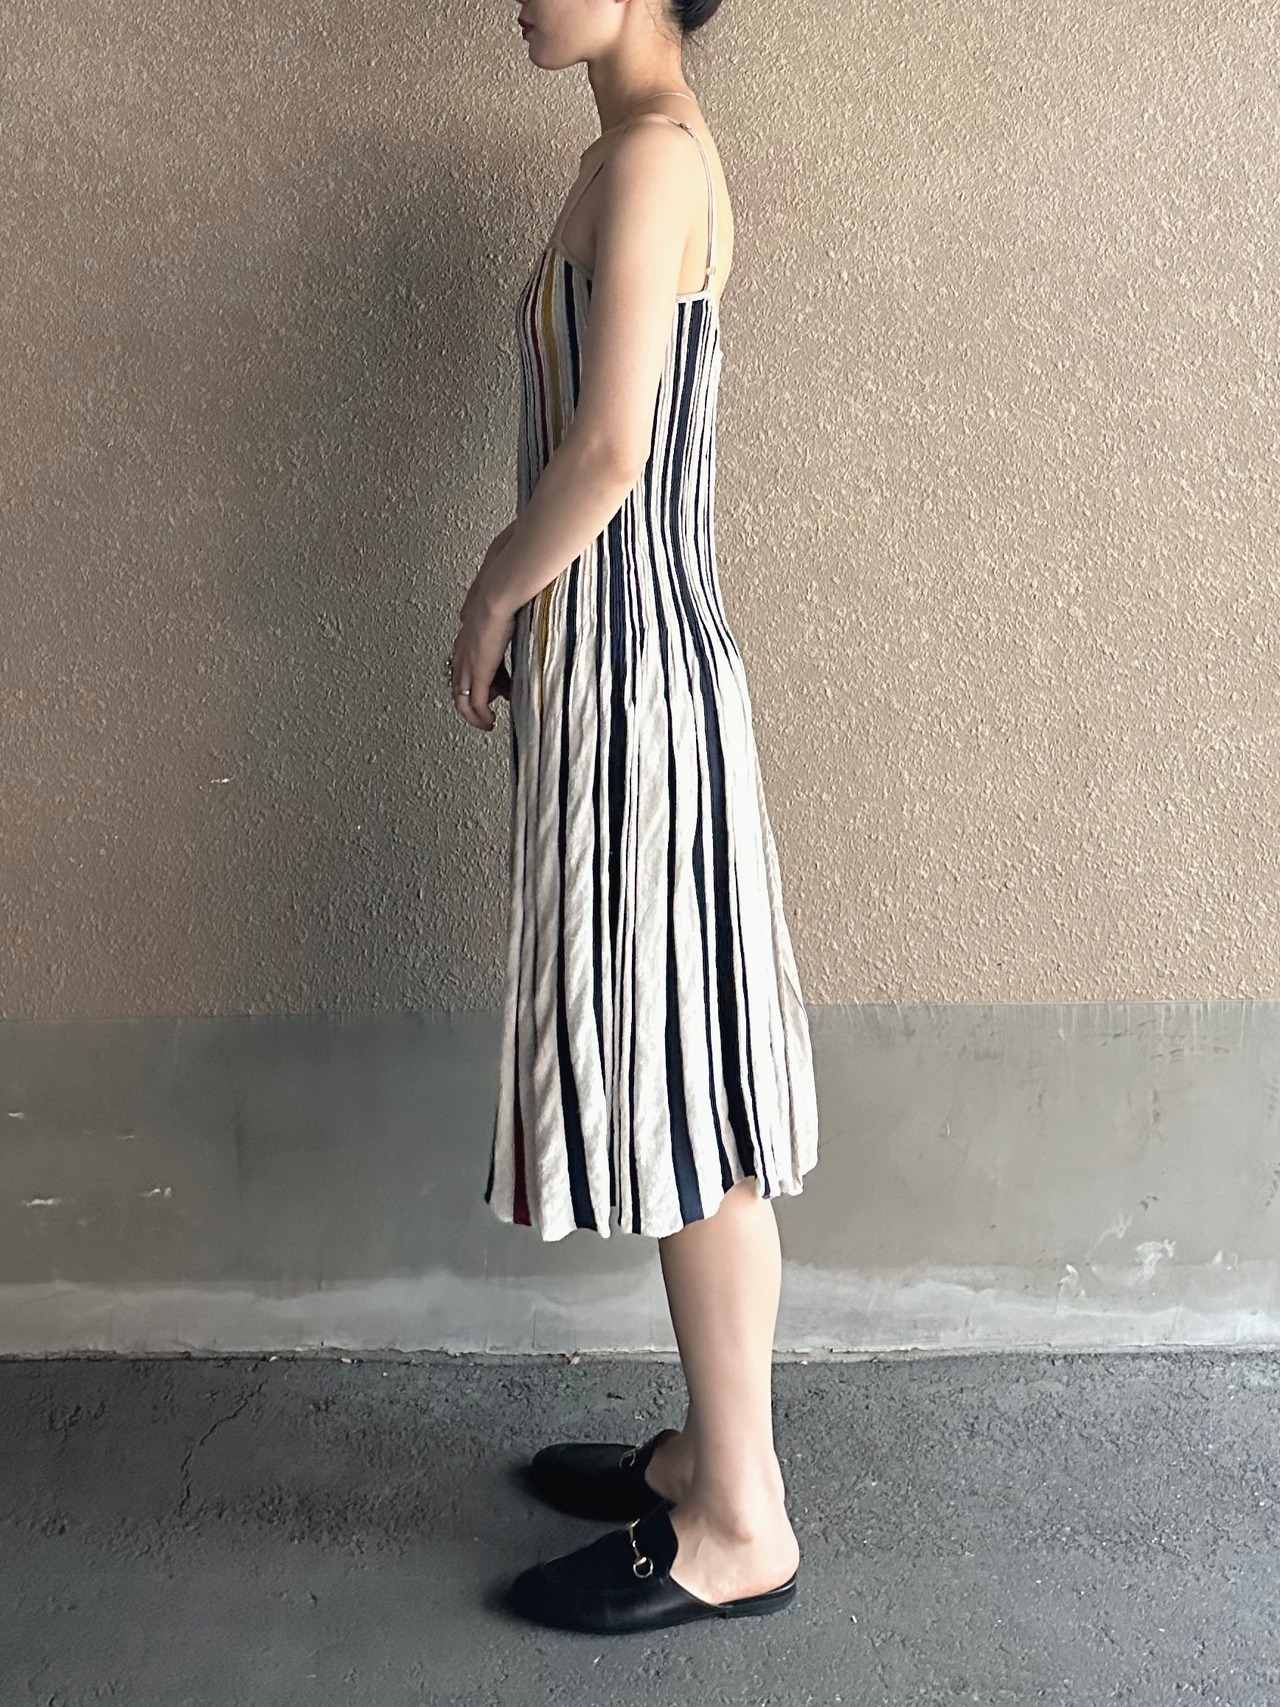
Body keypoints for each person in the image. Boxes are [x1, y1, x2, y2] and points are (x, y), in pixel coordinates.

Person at [446, 0, 821, 1634]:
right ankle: (708, 1456)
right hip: (626, 677)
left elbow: (610, 448)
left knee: (686, 1096)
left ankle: (739, 1519)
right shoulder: (632, 152)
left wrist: (486, 600)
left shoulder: (656, 156)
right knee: (683, 1079)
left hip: (637, 686)